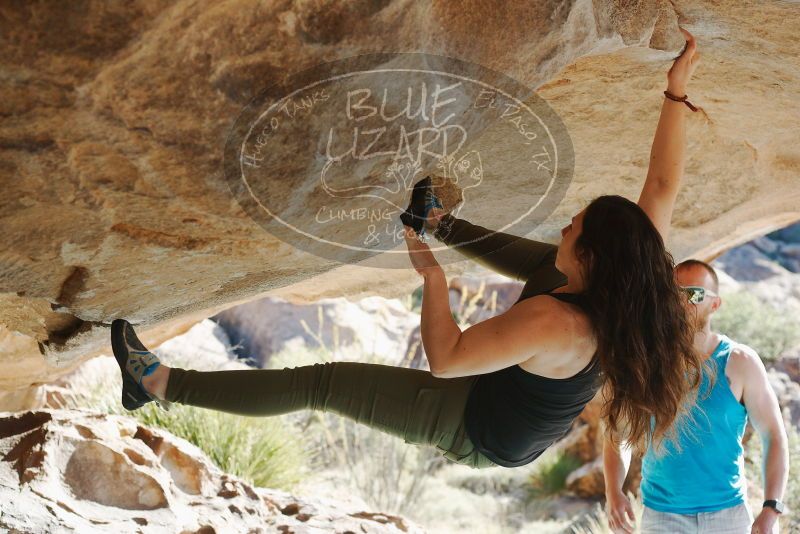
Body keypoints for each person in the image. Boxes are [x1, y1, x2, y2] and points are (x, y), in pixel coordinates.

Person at [111, 27, 704, 471]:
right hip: (519, 381)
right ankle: (438, 220)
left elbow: (446, 360)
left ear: (598, 259)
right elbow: (661, 186)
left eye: (575, 229)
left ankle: (159, 384)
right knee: (544, 267)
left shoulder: (557, 323)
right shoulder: (631, 274)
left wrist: (436, 281)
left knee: (325, 384)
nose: (564, 229)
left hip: (479, 426)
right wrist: (675, 92)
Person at [603, 260, 789, 534]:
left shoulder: (739, 362)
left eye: (694, 294)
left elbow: (773, 434)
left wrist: (771, 508)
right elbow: (617, 434)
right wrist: (613, 490)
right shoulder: (645, 363)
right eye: (672, 292)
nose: (681, 301)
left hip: (729, 517)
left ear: (715, 304)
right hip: (662, 518)